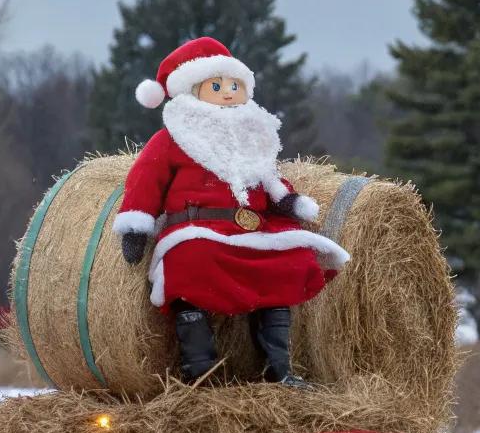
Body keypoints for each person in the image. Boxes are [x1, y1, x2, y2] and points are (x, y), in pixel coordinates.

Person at [114, 36, 348, 386]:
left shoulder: (252, 137)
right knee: (191, 260)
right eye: (217, 85)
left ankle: (278, 370)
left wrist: (289, 201)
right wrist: (136, 224)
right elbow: (145, 180)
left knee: (291, 258)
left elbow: (270, 180)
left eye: (235, 85)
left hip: (253, 230)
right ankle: (201, 370)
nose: (228, 92)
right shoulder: (172, 138)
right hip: (197, 228)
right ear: (193, 90)